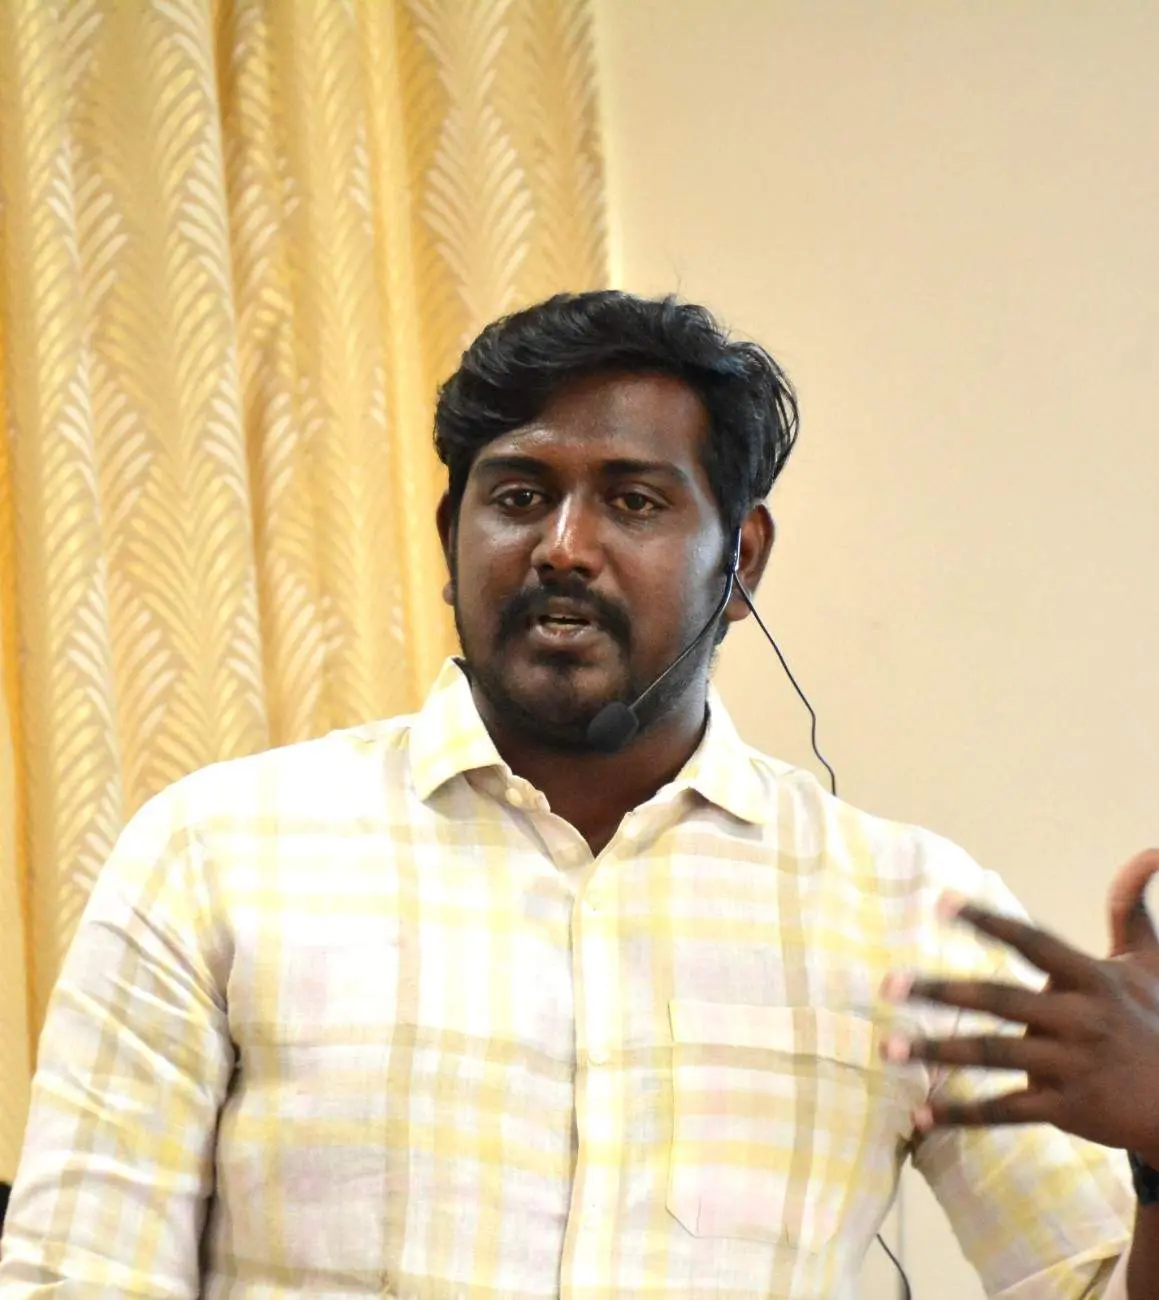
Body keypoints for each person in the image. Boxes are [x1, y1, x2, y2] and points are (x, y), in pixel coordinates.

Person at [0, 291, 1156, 1298]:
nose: (563, 546)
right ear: (452, 534)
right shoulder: (217, 855)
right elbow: (78, 1276)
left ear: (741, 561)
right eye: (518, 495)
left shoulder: (906, 911)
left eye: (634, 502)